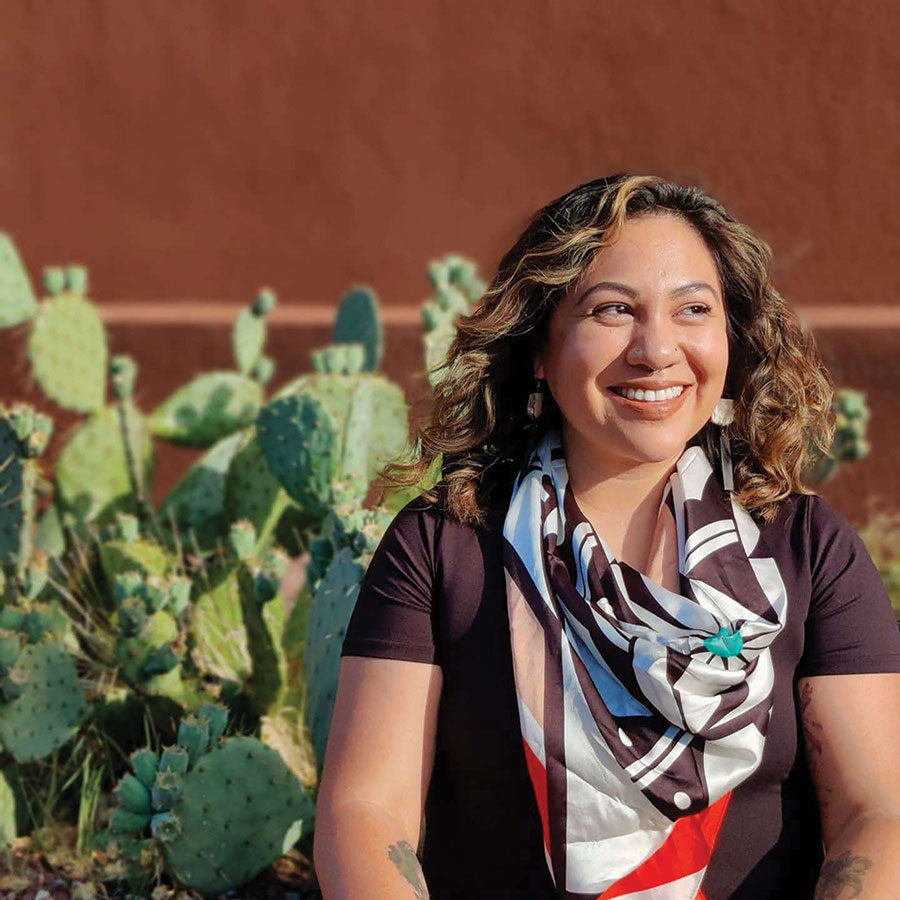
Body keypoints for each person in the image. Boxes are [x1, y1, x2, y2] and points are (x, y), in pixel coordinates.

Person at [312, 174, 900, 899]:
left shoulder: (808, 549)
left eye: (693, 309)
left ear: (732, 340)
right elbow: (367, 815)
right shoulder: (445, 548)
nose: (656, 350)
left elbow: (878, 814)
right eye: (613, 309)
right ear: (538, 347)